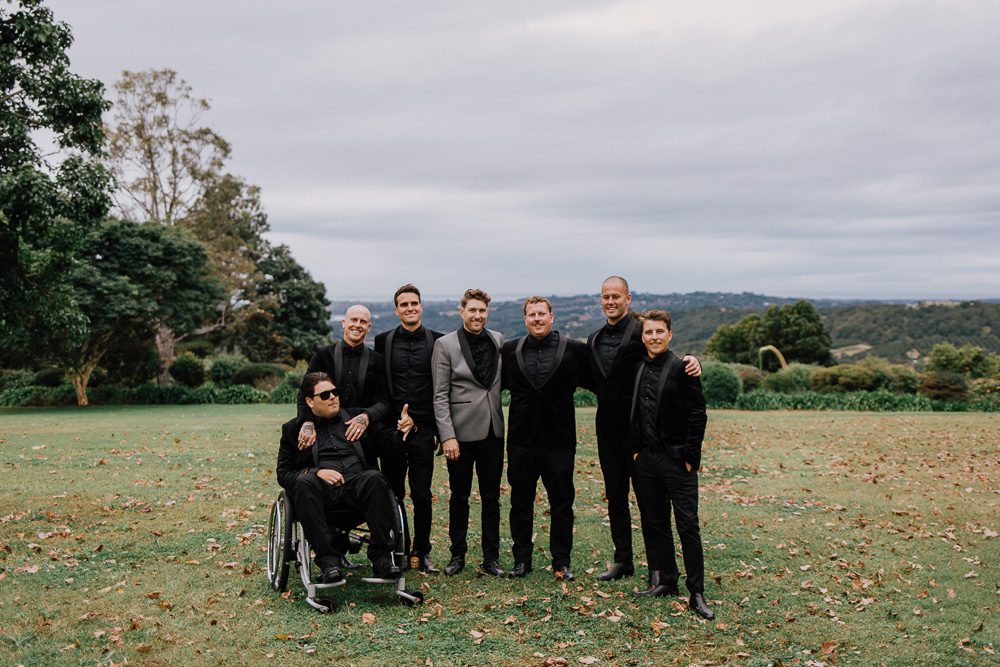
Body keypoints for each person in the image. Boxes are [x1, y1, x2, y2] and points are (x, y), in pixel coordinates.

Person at [586, 276, 701, 581]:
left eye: (616, 296)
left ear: (628, 298)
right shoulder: (594, 339)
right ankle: (622, 560)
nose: (610, 302)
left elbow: (663, 355)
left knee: (650, 504)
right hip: (607, 432)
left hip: (642, 435)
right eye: (605, 297)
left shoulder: (642, 331)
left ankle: (657, 567)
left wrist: (693, 359)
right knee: (616, 498)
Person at [276, 372, 403, 583]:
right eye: (325, 395)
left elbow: (391, 443)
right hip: (319, 496)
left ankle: (382, 559)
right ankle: (328, 562)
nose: (333, 397)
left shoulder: (358, 420)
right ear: (310, 401)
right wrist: (317, 472)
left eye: (335, 392)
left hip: (358, 490)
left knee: (375, 478)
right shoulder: (294, 430)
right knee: (303, 481)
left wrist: (405, 431)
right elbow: (283, 473)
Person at [630, 310, 714, 620]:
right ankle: (666, 580)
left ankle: (697, 592)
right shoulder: (639, 367)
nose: (653, 336)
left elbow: (697, 415)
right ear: (643, 336)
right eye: (648, 332)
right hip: (647, 460)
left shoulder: (683, 369)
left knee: (687, 525)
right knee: (654, 522)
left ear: (669, 335)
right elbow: (637, 413)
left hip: (678, 462)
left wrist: (691, 456)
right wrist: (637, 451)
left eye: (659, 332)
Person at [502, 296, 589, 580]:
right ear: (525, 318)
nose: (537, 319)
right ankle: (521, 560)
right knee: (520, 503)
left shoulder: (574, 349)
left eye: (542, 314)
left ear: (552, 316)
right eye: (531, 315)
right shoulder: (510, 350)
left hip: (559, 441)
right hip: (521, 440)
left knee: (562, 503)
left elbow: (604, 379)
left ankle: (561, 561)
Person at [431, 288, 505, 577]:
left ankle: (491, 558)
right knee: (459, 497)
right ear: (462, 312)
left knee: (491, 498)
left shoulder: (498, 340)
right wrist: (447, 435)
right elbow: (439, 395)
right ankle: (457, 555)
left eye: (482, 311)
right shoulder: (445, 345)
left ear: (487, 313)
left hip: (493, 431)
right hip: (459, 436)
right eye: (472, 310)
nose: (477, 315)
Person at [373, 284, 445, 573]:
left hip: (423, 429)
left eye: (414, 303)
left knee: (422, 494)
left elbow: (439, 389)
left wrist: (418, 419)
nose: (410, 308)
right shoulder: (382, 341)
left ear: (421, 306)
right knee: (391, 491)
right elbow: (379, 387)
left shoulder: (437, 342)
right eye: (404, 304)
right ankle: (394, 549)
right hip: (391, 432)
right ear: (396, 310)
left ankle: (422, 551)